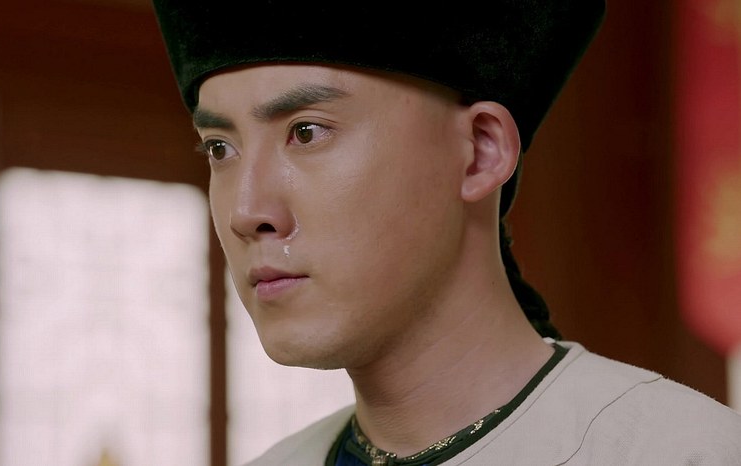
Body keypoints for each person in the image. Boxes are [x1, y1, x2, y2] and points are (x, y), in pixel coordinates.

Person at [152, 1, 741, 464]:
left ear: (481, 150)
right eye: (220, 148)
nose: (246, 210)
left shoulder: (679, 452)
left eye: (306, 132)